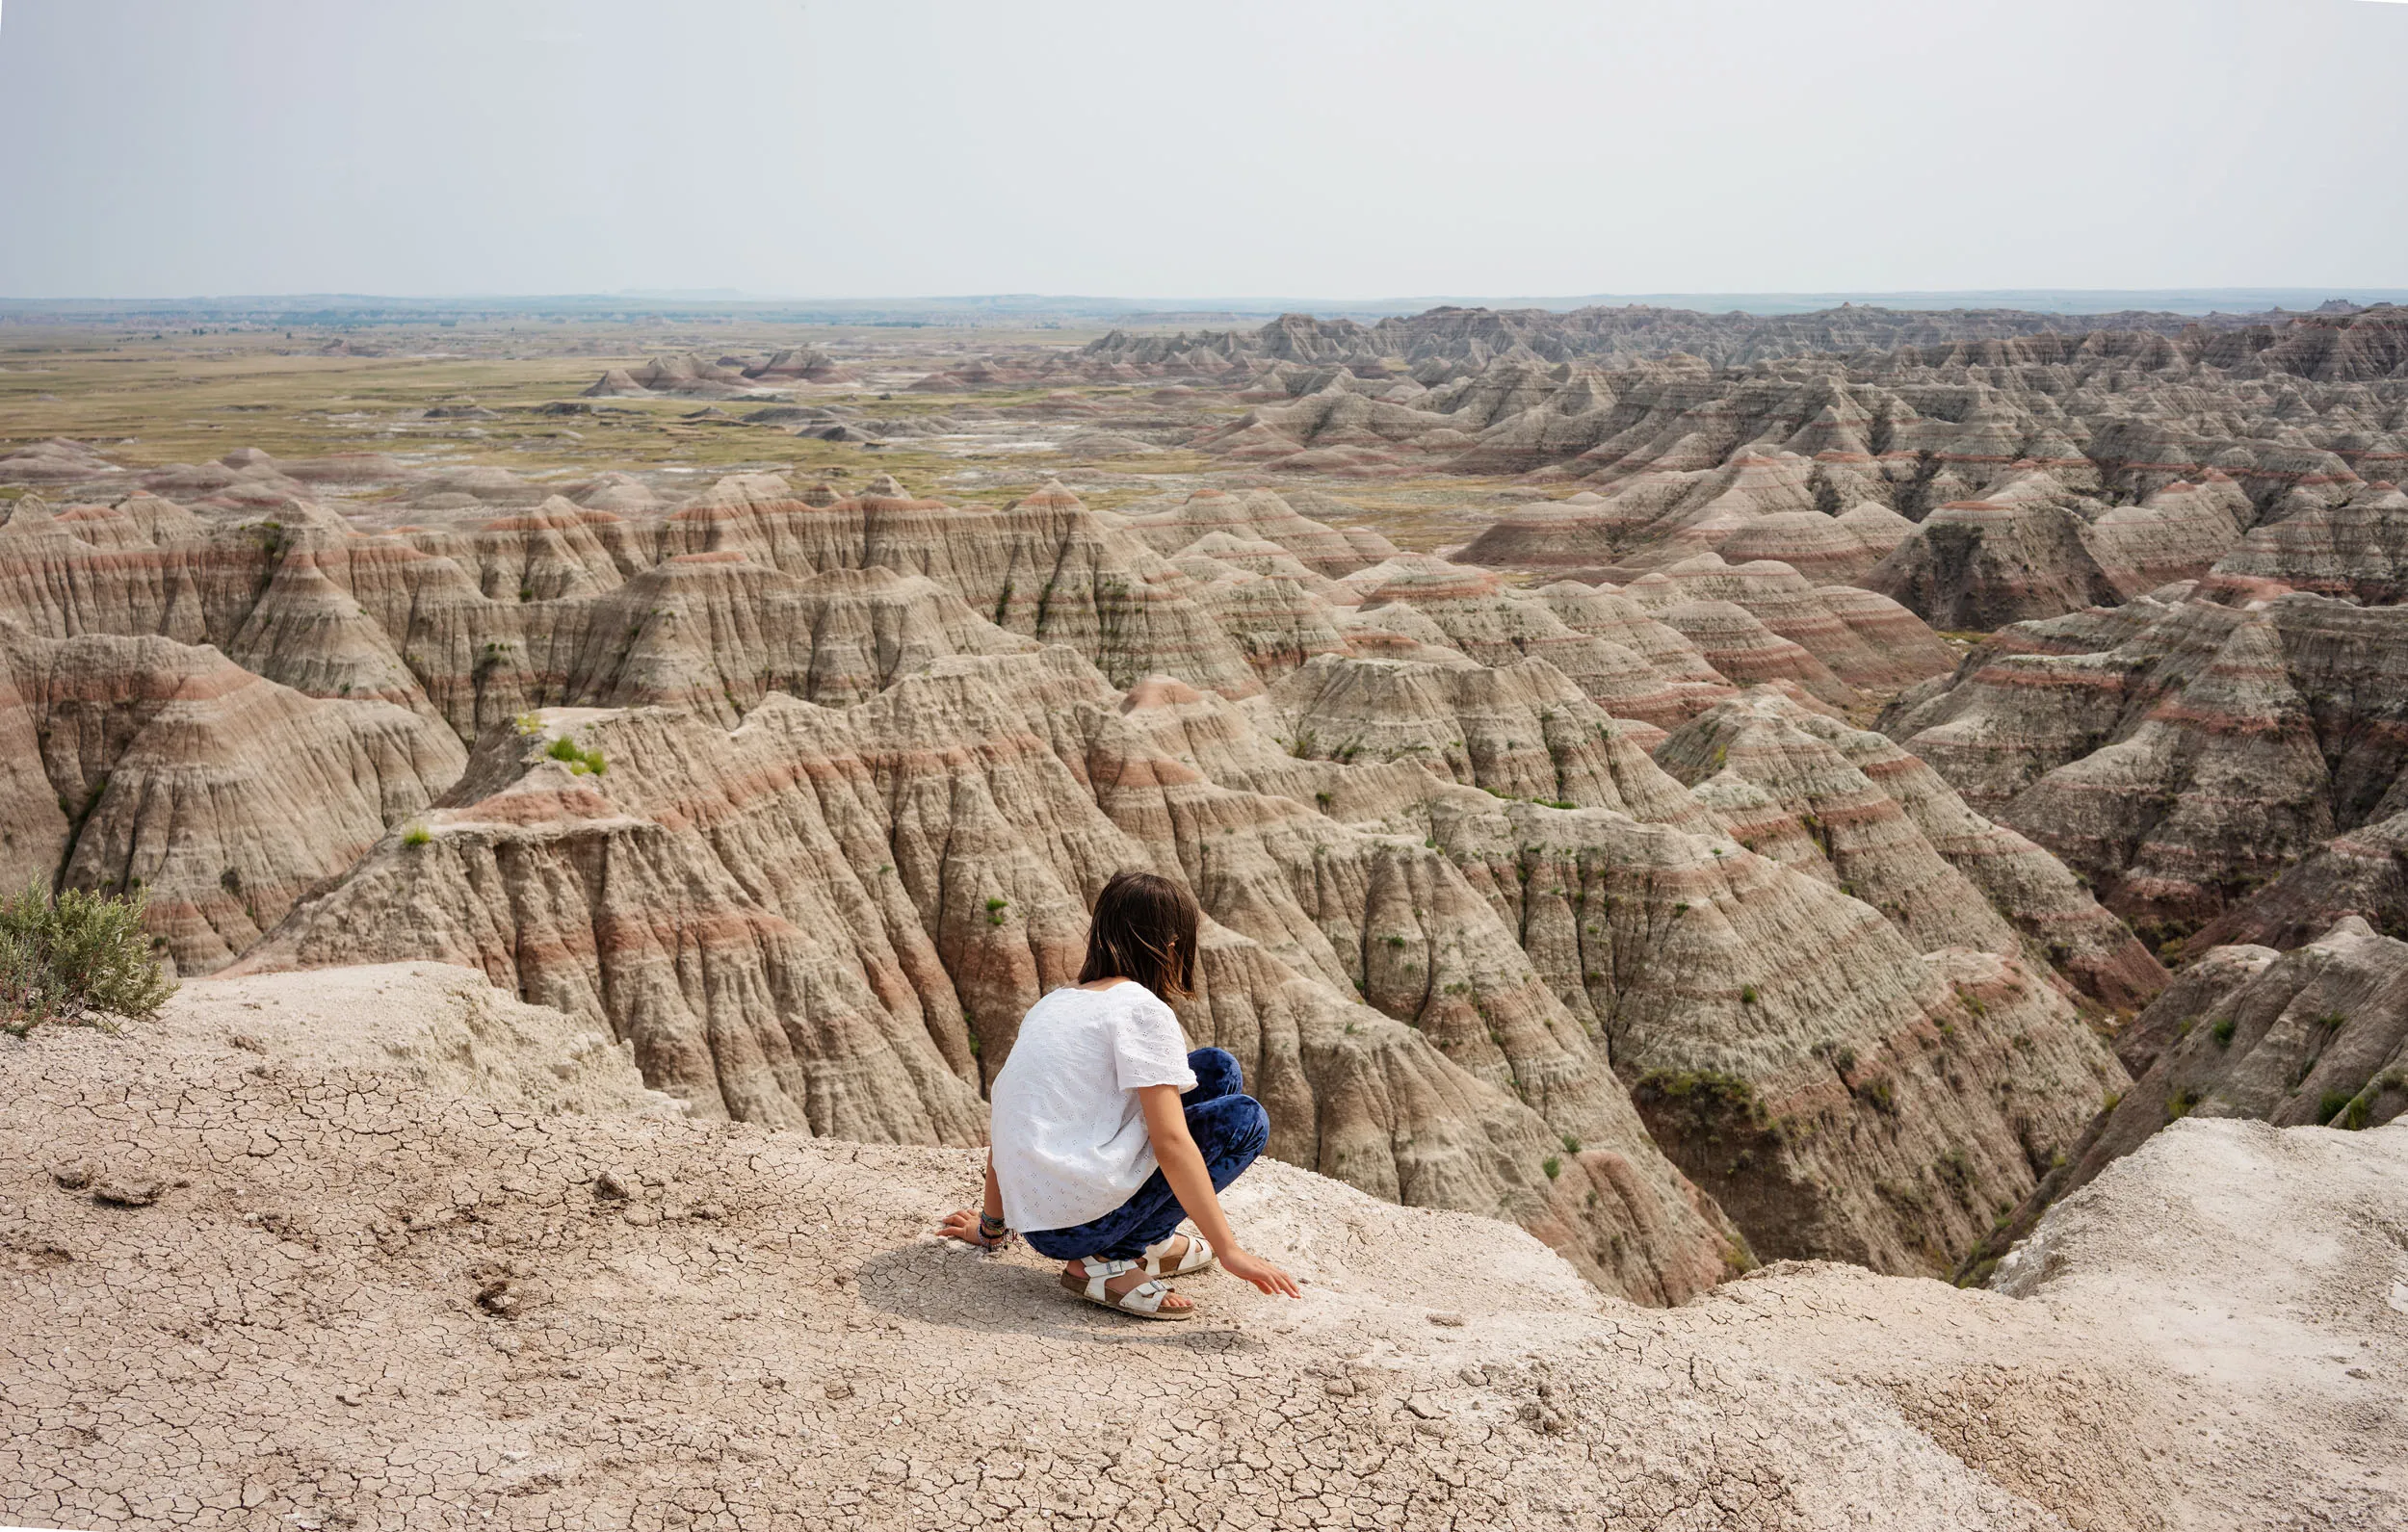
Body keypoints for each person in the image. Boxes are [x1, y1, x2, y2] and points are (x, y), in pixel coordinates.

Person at [936, 870, 1301, 1319]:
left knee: (1215, 1069)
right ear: (1171, 946)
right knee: (1244, 1120)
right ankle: (1108, 1261)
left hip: (1046, 1214)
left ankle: (1150, 1236)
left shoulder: (1055, 1002)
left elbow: (1015, 1119)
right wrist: (1230, 1251)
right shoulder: (1143, 1011)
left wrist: (991, 1228)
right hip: (1077, 1229)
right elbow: (1170, 1142)